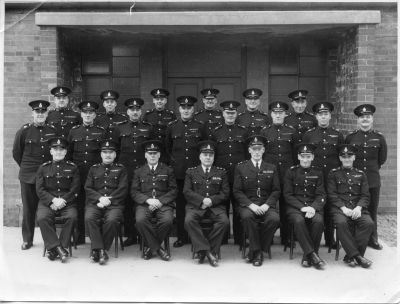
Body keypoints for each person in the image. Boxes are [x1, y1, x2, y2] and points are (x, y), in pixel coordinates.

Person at [13, 100, 57, 250]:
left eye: (43, 112)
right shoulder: (24, 131)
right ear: (33, 113)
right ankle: (27, 239)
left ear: (46, 114)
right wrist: (27, 168)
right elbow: (17, 153)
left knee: (47, 208)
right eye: (37, 112)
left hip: (47, 177)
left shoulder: (52, 130)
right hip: (28, 176)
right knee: (28, 209)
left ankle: (50, 241)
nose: (40, 114)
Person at [233, 135, 281, 266]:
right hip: (248, 205)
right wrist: (251, 205)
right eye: (254, 149)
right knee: (248, 217)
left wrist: (267, 205)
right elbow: (237, 191)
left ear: (264, 150)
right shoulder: (241, 167)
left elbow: (276, 190)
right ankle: (258, 252)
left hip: (266, 204)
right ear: (249, 150)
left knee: (274, 219)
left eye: (259, 149)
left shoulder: (271, 167)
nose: (257, 152)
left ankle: (254, 250)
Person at [345, 104, 387, 250]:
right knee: (354, 210)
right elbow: (346, 157)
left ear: (372, 119)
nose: (365, 119)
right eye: (362, 117)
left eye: (368, 117)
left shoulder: (379, 137)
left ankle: (372, 239)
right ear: (358, 120)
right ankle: (353, 238)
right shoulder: (350, 137)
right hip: (354, 180)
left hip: (372, 180)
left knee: (372, 210)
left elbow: (382, 159)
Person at [165, 95, 206, 248]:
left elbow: (206, 147)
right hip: (179, 173)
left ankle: (198, 237)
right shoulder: (172, 126)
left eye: (189, 108)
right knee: (181, 207)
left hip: (198, 174)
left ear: (193, 109)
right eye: (184, 108)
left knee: (197, 205)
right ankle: (182, 237)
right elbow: (167, 148)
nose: (186, 110)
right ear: (179, 109)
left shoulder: (201, 126)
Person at [302, 101, 344, 248]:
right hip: (314, 177)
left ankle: (329, 239)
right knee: (314, 206)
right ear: (316, 116)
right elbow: (303, 155)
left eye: (326, 114)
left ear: (330, 116)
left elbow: (341, 157)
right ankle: (311, 238)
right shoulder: (309, 135)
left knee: (330, 208)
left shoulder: (337, 135)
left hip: (332, 177)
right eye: (320, 114)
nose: (323, 117)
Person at [183, 140, 230, 267]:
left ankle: (203, 251)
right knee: (189, 221)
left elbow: (225, 193)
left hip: (215, 207)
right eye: (205, 155)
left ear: (214, 157)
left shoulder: (221, 172)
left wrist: (211, 201)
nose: (208, 157)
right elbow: (186, 191)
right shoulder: (191, 172)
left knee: (224, 222)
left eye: (210, 155)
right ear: (200, 156)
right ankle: (209, 252)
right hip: (197, 207)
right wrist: (202, 201)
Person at [327, 144, 374, 268]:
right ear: (340, 158)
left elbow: (365, 195)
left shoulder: (361, 174)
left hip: (357, 208)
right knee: (342, 223)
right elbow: (331, 194)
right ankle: (358, 257)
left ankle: (350, 256)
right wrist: (343, 208)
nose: (347, 159)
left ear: (354, 158)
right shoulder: (333, 173)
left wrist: (358, 208)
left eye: (350, 156)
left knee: (368, 223)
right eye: (344, 157)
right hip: (339, 209)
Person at [131, 140, 177, 261]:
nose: (152, 156)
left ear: (159, 155)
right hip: (145, 204)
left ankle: (150, 248)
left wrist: (160, 201)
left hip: (163, 204)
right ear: (145, 155)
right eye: (150, 153)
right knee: (140, 220)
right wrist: (148, 200)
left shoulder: (168, 170)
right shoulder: (138, 171)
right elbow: (134, 192)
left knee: (167, 221)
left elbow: (173, 190)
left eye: (155, 153)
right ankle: (158, 249)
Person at [260, 101, 298, 247]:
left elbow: (295, 154)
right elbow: (262, 154)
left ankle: (286, 237)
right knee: (268, 204)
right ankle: (267, 236)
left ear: (285, 114)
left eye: (280, 113)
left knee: (286, 206)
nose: (278, 115)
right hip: (269, 174)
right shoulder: (264, 131)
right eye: (275, 113)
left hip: (287, 174)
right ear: (271, 114)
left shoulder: (292, 131)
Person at [116, 97, 154, 247]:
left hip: (143, 173)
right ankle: (131, 235)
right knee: (127, 204)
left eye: (138, 109)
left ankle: (144, 235)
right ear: (127, 112)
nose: (135, 112)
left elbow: (153, 150)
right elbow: (116, 150)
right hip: (125, 172)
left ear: (141, 111)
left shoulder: (148, 128)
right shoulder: (119, 128)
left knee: (142, 203)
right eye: (132, 109)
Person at [36, 137, 80, 262]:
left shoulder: (73, 167)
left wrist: (63, 200)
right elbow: (39, 189)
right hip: (47, 202)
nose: (58, 152)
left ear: (66, 152)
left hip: (67, 202)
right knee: (42, 218)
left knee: (72, 217)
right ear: (51, 151)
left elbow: (75, 189)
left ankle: (55, 249)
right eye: (55, 149)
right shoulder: (43, 168)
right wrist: (52, 201)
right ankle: (59, 249)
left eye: (62, 149)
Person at [211, 100, 249, 245]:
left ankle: (240, 238)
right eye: (228, 113)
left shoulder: (244, 131)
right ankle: (223, 237)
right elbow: (212, 155)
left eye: (233, 113)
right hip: (222, 176)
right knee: (222, 207)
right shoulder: (216, 131)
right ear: (223, 113)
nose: (230, 115)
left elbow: (247, 154)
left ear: (236, 114)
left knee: (239, 207)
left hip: (239, 176)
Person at [67, 101, 105, 244]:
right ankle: (79, 237)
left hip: (96, 176)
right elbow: (69, 154)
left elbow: (105, 154)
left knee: (97, 205)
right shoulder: (74, 131)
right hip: (79, 175)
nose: (88, 115)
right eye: (85, 112)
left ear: (95, 114)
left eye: (91, 112)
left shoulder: (101, 131)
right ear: (81, 114)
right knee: (79, 205)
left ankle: (98, 237)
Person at [84, 140, 128, 265]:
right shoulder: (94, 169)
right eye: (105, 152)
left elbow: (123, 188)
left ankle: (97, 250)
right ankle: (101, 250)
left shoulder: (121, 169)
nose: (108, 155)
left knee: (112, 220)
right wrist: (99, 198)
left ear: (115, 155)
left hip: (114, 204)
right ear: (101, 154)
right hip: (96, 203)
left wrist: (109, 200)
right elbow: (88, 188)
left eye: (110, 152)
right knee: (89, 217)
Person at [283, 143, 326, 269]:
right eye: (303, 157)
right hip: (295, 208)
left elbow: (321, 194)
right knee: (299, 220)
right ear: (298, 157)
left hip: (313, 207)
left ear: (312, 157)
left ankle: (308, 256)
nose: (305, 160)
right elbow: (288, 195)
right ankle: (313, 254)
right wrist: (302, 207)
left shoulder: (318, 172)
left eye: (308, 157)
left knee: (318, 221)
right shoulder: (291, 172)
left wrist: (313, 207)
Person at [143, 88, 176, 164]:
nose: (159, 101)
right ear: (153, 101)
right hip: (152, 150)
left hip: (166, 150)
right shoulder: (148, 115)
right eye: (157, 99)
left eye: (162, 99)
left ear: (165, 101)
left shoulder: (171, 115)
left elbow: (174, 132)